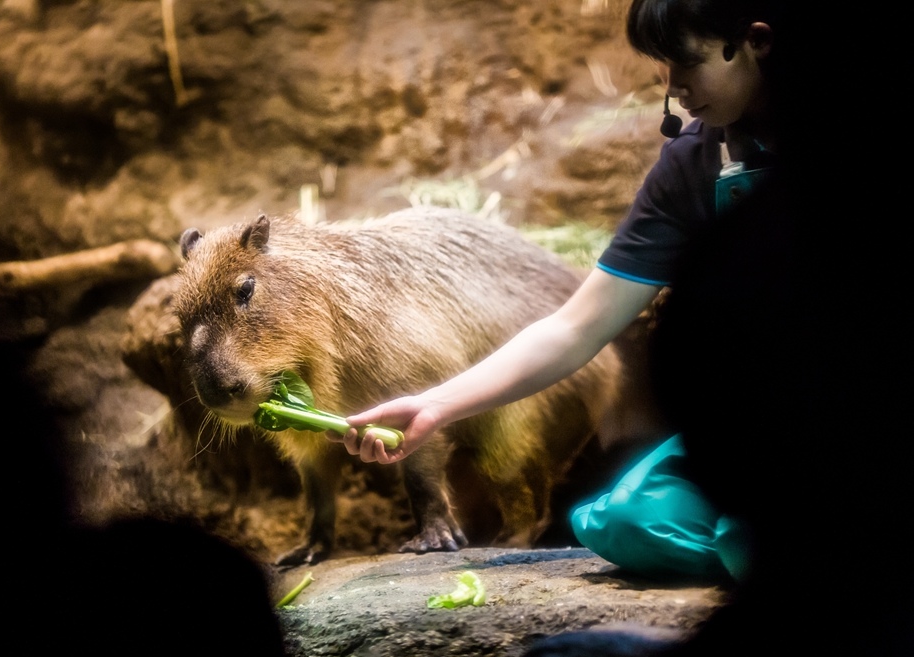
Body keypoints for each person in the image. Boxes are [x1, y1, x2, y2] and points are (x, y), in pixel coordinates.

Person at [329, 0, 781, 585]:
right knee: (626, 522)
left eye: (688, 64)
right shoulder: (693, 162)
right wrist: (436, 405)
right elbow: (576, 327)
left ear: (756, 42)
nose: (677, 91)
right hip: (755, 431)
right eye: (663, 71)